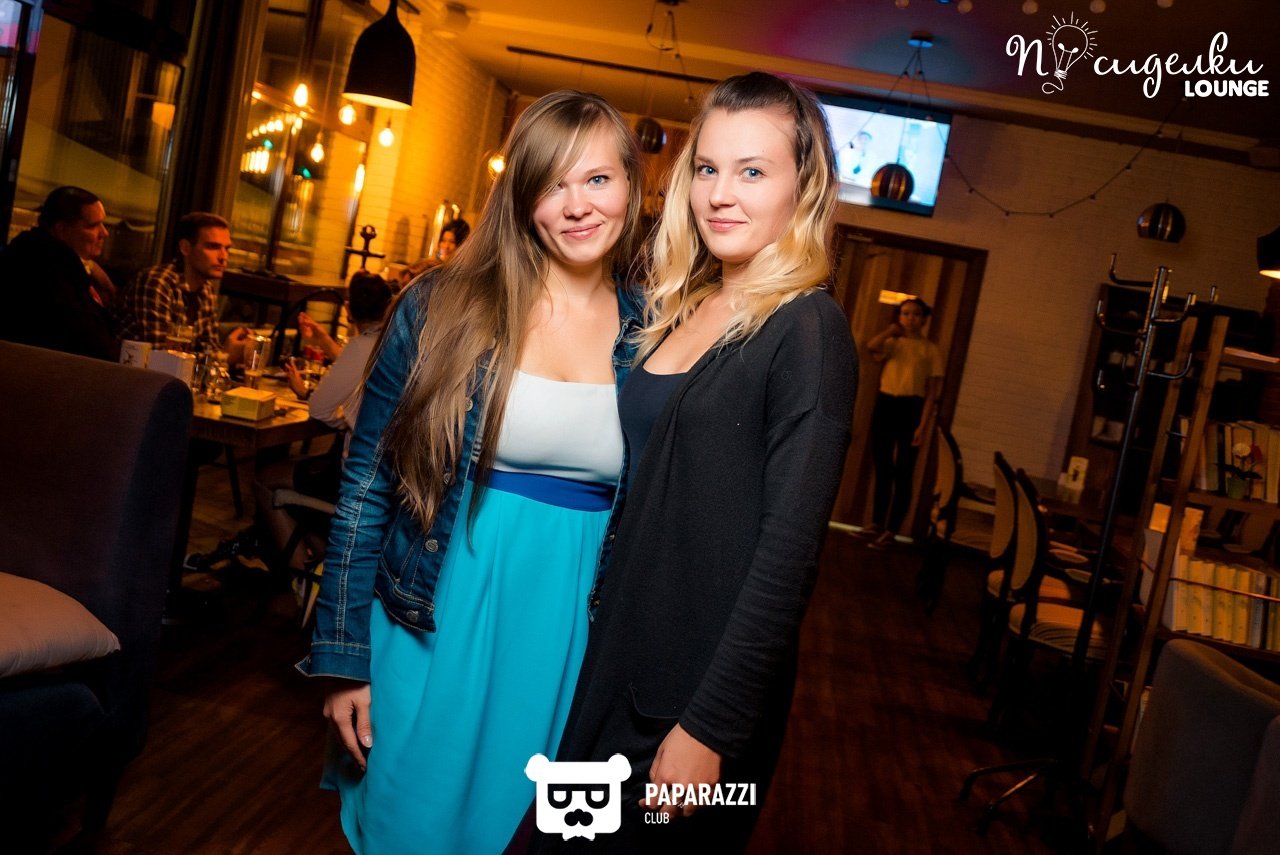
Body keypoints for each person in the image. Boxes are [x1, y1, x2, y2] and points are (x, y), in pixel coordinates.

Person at [298, 89, 645, 854]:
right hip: (438, 615)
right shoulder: (443, 306)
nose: (577, 205)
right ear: (520, 196)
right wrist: (344, 655)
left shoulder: (658, 333)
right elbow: (365, 485)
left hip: (568, 639)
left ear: (632, 183)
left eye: (598, 179)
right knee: (412, 825)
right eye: (552, 183)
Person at [533, 72, 858, 851]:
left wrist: (710, 725)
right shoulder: (687, 304)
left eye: (753, 171)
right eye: (708, 168)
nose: (720, 194)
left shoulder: (808, 330)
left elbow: (788, 554)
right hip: (620, 660)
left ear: (804, 187)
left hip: (689, 705)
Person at [0, 186, 119, 360]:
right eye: (93, 226)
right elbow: (87, 341)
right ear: (62, 230)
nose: (104, 233)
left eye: (103, 224)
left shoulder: (61, 264)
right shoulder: (45, 272)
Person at [114, 211, 249, 362]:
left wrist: (231, 349)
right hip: (128, 374)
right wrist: (224, 355)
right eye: (213, 247)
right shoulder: (157, 283)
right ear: (185, 248)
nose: (223, 257)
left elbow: (208, 348)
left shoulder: (206, 290)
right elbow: (161, 357)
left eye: (227, 248)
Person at [863, 297, 943, 549]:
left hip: (912, 409)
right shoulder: (893, 343)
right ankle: (876, 524)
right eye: (905, 313)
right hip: (886, 404)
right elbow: (871, 347)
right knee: (883, 468)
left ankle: (892, 530)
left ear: (924, 318)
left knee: (904, 472)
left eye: (916, 314)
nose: (910, 319)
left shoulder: (931, 350)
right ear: (899, 317)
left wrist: (922, 426)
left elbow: (932, 393)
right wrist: (890, 331)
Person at [285, 270, 392, 438]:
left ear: (348, 309)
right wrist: (324, 341)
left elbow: (319, 409)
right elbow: (359, 364)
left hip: (363, 451)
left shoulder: (361, 345)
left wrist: (347, 421)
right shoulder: (391, 342)